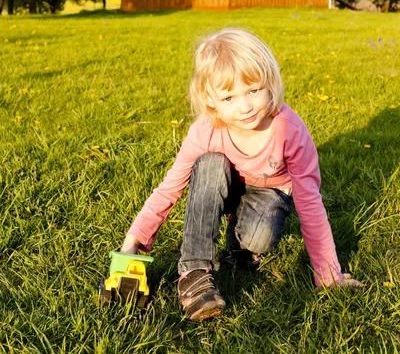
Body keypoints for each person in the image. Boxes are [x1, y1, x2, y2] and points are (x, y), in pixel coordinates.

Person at [121, 28, 363, 321]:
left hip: (267, 193)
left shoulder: (289, 130)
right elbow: (169, 189)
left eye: (253, 90)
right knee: (210, 164)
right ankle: (194, 273)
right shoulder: (205, 131)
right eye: (228, 98)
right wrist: (133, 242)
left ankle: (240, 247)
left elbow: (310, 202)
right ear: (210, 100)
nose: (245, 106)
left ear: (270, 83)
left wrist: (328, 274)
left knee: (259, 238)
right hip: (221, 184)